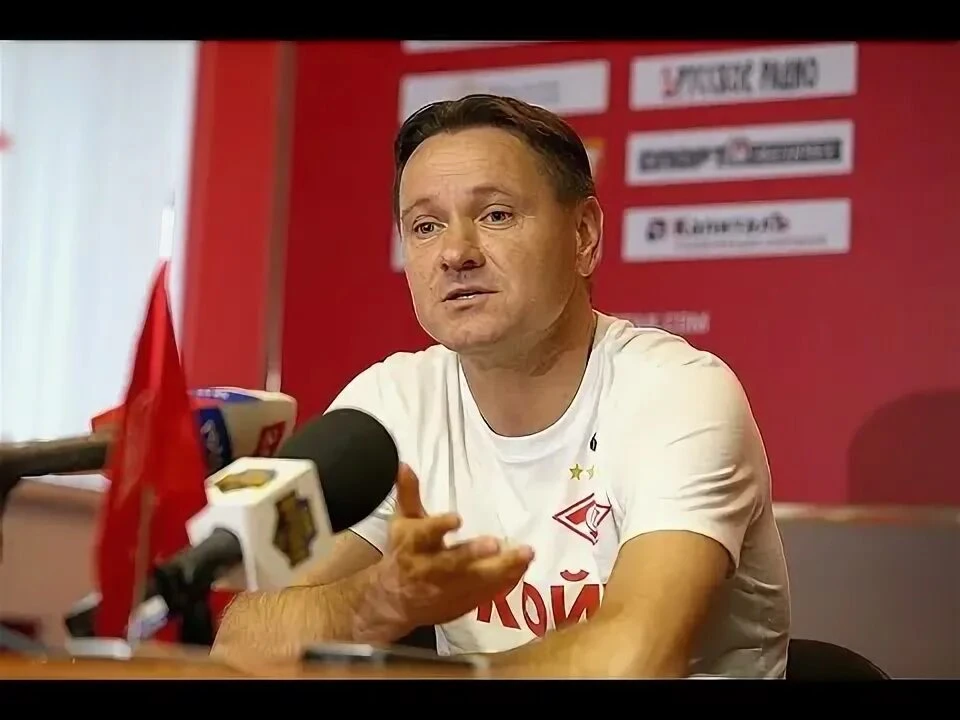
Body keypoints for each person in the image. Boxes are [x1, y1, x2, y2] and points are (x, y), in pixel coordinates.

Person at [212, 94, 791, 678]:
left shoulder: (676, 393)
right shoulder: (391, 404)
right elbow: (240, 649)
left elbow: (633, 658)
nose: (455, 254)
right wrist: (377, 600)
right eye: (426, 226)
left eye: (495, 215)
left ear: (584, 235)